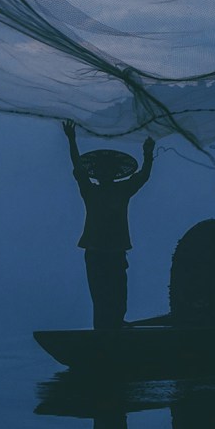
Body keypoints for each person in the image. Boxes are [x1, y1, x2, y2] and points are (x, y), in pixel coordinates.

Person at [64, 121, 155, 330]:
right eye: (101, 170)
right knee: (100, 297)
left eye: (109, 171)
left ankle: (116, 328)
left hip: (116, 252)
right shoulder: (90, 190)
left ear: (114, 174)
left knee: (119, 296)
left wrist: (148, 154)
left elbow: (143, 176)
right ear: (97, 173)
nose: (105, 173)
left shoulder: (123, 190)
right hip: (95, 253)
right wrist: (71, 140)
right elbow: (78, 168)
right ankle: (103, 334)